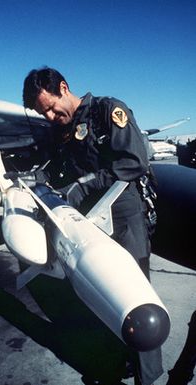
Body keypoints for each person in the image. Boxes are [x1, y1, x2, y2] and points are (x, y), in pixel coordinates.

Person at [21, 67, 162, 385]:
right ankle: (118, 360)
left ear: (63, 87)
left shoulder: (106, 110)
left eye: (52, 108)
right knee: (100, 291)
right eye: (44, 113)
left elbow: (134, 160)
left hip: (123, 216)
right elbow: (60, 167)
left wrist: (84, 184)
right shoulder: (63, 130)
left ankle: (148, 377)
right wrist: (41, 177)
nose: (51, 116)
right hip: (88, 220)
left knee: (132, 294)